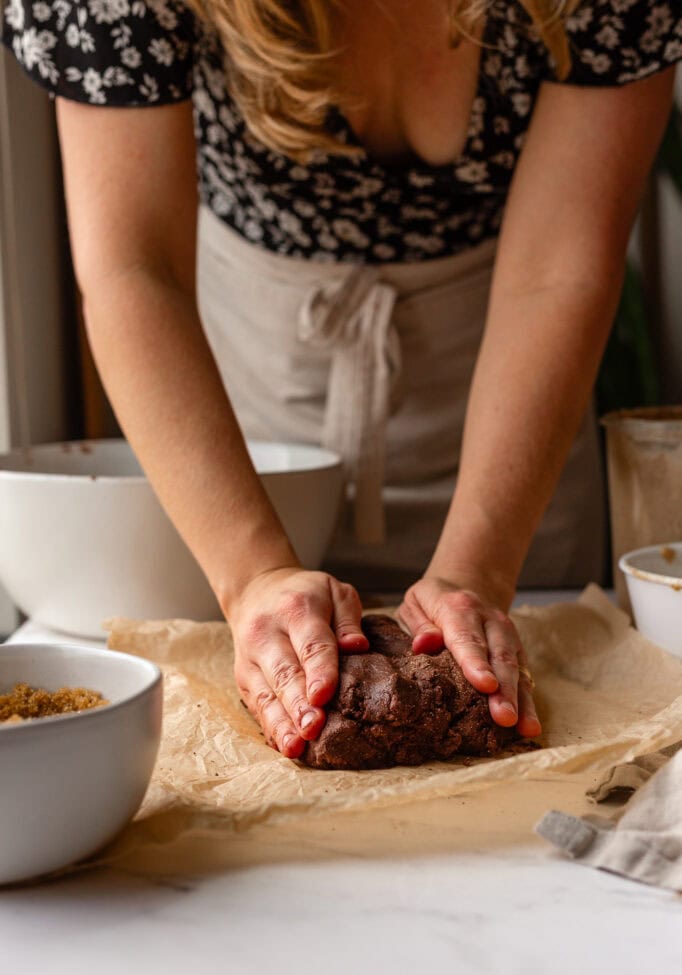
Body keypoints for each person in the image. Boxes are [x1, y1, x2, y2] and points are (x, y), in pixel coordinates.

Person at [2, 0, 679, 758]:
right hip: (240, 434)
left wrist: (481, 569)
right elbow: (136, 269)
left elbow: (557, 273)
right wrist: (253, 574)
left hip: (510, 414)